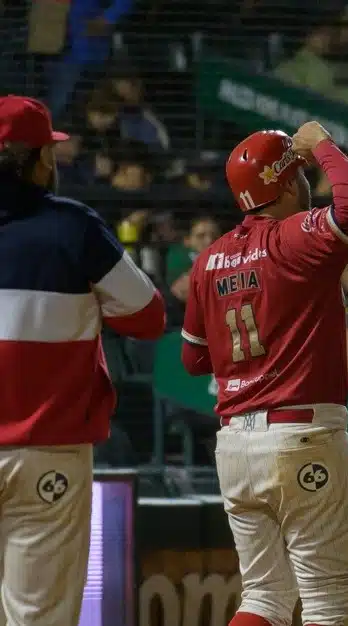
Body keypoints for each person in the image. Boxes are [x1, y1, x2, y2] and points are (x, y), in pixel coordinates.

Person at [179, 122, 348, 626]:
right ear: (288, 183)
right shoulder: (296, 238)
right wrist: (325, 146)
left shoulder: (208, 259)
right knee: (328, 601)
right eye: (300, 171)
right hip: (300, 435)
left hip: (235, 449)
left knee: (264, 596)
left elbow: (194, 359)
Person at [0, 96, 165, 624]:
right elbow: (147, 316)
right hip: (48, 451)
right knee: (40, 616)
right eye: (50, 150)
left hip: (47, 449)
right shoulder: (74, 227)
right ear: (34, 158)